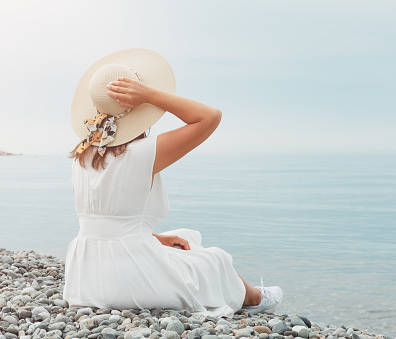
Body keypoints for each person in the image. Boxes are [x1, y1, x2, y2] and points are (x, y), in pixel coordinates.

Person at [63, 48, 283, 317]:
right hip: (126, 279)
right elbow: (210, 116)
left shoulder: (81, 157)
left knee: (185, 239)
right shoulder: (143, 152)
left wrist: (157, 238)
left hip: (84, 278)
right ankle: (254, 297)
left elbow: (106, 222)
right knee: (216, 259)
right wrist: (149, 94)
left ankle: (250, 294)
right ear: (138, 108)